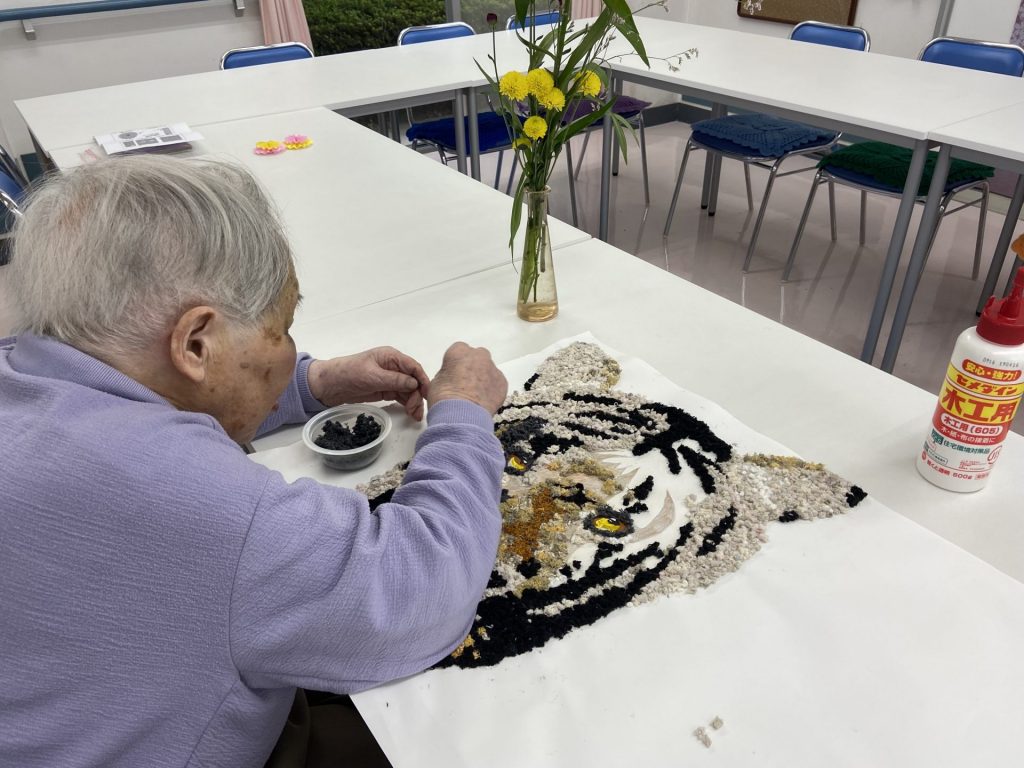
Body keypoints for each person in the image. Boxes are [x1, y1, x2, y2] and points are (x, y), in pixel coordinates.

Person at [0, 156, 508, 767]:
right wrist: (463, 411)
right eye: (284, 328)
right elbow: (421, 591)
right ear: (196, 342)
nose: (291, 348)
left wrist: (313, 383)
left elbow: (143, 383)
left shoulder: (23, 366)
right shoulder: (196, 504)